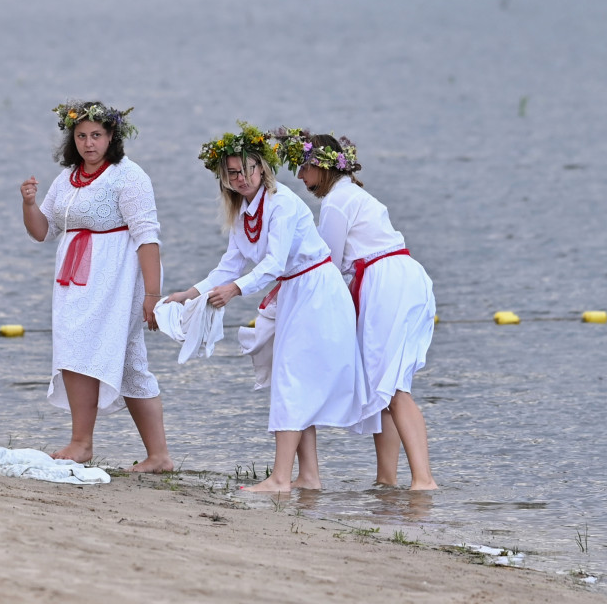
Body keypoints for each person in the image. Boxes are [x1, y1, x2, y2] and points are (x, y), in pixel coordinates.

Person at [165, 123, 368, 493]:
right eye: (232, 172)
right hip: (294, 292)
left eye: (247, 169)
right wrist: (188, 294)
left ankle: (279, 478)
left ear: (262, 169)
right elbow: (230, 265)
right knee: (291, 379)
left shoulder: (282, 203)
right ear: (224, 178)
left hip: (316, 290)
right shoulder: (243, 212)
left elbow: (273, 263)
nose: (241, 177)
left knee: (292, 378)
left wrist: (235, 291)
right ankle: (308, 477)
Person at [274, 128, 438, 490]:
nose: (300, 176)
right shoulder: (351, 195)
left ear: (322, 166)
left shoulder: (336, 201)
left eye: (303, 167)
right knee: (386, 385)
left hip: (385, 282)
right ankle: (386, 480)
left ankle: (424, 480)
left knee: (393, 388)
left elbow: (326, 263)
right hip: (401, 277)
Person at [20, 101, 172, 473]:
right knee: (82, 350)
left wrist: (152, 295)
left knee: (123, 352)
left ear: (111, 137)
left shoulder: (128, 176)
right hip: (74, 279)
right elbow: (44, 232)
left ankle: (143, 453)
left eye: (97, 135)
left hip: (117, 276)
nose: (89, 143)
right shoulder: (67, 178)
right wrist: (29, 204)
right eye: (82, 136)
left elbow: (147, 237)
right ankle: (94, 444)